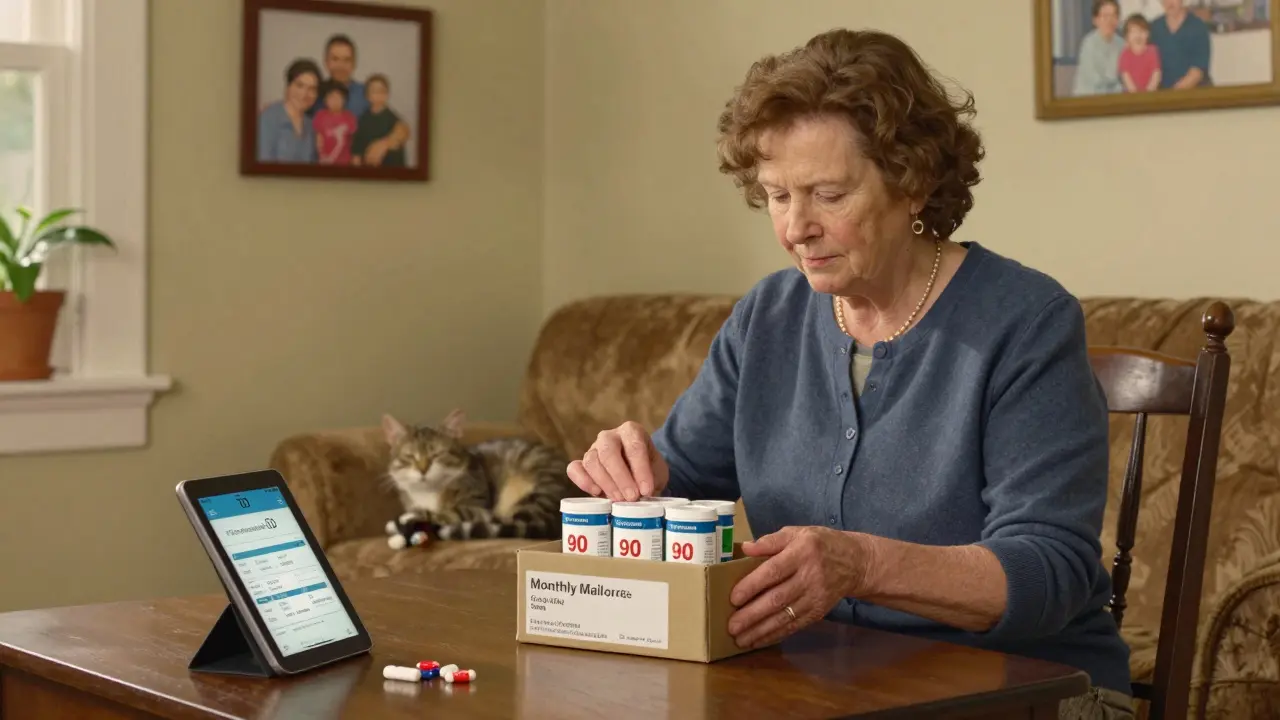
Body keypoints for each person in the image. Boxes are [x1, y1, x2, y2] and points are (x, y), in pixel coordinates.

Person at [565, 29, 1134, 720]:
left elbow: (1052, 570)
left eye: (827, 194)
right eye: (776, 196)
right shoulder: (767, 317)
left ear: (912, 181)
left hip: (1028, 689)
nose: (795, 228)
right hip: (824, 687)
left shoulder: (1025, 320)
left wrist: (860, 564)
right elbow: (679, 481)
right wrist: (631, 474)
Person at [257, 58, 320, 163]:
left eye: (312, 89)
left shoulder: (311, 125)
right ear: (288, 87)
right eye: (300, 86)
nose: (305, 94)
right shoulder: (268, 118)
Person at [1149, 0, 1212, 89]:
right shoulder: (1154, 27)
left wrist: (1174, 95)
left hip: (1194, 92)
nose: (1169, 3)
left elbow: (1197, 71)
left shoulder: (1197, 27)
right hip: (1162, 94)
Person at [351, 74, 408, 167]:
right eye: (373, 91)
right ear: (367, 95)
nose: (378, 94)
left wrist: (384, 145)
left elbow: (400, 136)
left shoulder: (392, 118)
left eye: (381, 91)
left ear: (387, 94)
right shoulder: (363, 118)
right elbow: (357, 144)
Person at [1072, 0, 1127, 95]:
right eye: (1105, 16)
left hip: (1114, 99)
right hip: (1088, 98)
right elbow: (1094, 82)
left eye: (1113, 16)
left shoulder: (1122, 44)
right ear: (1095, 20)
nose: (1110, 20)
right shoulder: (1088, 44)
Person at [314, 80, 357, 165]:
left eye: (339, 98)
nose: (335, 100)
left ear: (345, 100)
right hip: (322, 161)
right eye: (332, 97)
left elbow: (354, 140)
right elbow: (317, 136)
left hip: (344, 162)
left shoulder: (349, 117)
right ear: (325, 100)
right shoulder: (320, 115)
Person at [1119, 14, 1163, 92]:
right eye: (1133, 32)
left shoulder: (1152, 51)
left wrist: (1148, 94)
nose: (1138, 35)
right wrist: (1137, 97)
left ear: (1148, 34)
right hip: (1131, 96)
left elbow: (1156, 74)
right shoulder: (1125, 54)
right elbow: (1126, 77)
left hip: (1151, 94)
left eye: (1142, 31)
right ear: (1126, 37)